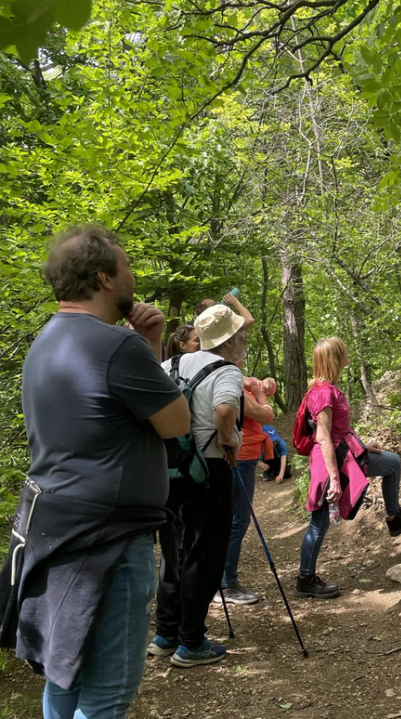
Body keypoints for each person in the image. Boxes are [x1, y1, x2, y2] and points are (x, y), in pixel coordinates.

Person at [0, 225, 190, 718]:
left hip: (53, 531)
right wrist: (147, 345)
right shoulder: (116, 347)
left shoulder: (44, 343)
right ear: (105, 278)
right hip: (109, 542)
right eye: (126, 269)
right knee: (107, 692)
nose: (133, 277)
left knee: (65, 675)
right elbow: (175, 423)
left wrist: (144, 342)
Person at [148, 304, 246, 667]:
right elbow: (224, 411)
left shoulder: (168, 366)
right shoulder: (227, 371)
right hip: (210, 471)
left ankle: (165, 634)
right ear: (229, 340)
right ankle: (191, 642)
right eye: (240, 334)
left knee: (173, 553)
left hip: (167, 473)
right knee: (204, 553)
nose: (244, 338)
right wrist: (228, 438)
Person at [297, 338, 401, 599]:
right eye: (343, 351)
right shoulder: (322, 393)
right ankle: (305, 579)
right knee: (319, 522)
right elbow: (324, 437)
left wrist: (364, 447)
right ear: (334, 358)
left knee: (391, 463)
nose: (348, 354)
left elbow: (338, 432)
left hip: (345, 456)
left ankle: (394, 516)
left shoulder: (327, 389)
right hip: (331, 462)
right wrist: (334, 479)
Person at [214, 370, 274, 606]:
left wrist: (265, 384)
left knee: (232, 518)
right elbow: (265, 415)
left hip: (240, 455)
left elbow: (270, 385)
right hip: (239, 455)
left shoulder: (236, 379)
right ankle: (226, 584)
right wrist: (260, 393)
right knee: (238, 519)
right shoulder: (233, 385)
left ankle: (222, 580)